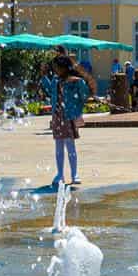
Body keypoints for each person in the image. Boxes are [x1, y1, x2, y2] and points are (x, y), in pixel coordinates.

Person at [49, 55, 86, 189]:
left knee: (70, 145)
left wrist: (79, 111)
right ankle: (60, 174)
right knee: (58, 146)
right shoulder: (55, 80)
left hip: (69, 115)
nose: (55, 69)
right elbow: (50, 92)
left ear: (64, 67)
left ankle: (74, 174)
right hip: (58, 116)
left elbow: (83, 95)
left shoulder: (75, 81)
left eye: (57, 67)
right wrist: (42, 77)